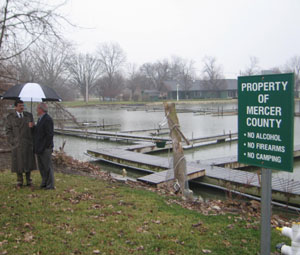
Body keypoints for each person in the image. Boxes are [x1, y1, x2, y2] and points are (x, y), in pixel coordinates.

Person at [6, 99, 36, 188]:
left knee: (28, 161)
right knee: (18, 162)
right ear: (15, 107)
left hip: (27, 142)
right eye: (20, 106)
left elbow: (34, 131)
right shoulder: (10, 117)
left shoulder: (29, 115)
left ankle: (29, 180)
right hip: (17, 143)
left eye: (23, 105)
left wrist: (32, 126)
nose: (22, 107)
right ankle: (19, 181)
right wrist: (12, 141)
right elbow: (8, 130)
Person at [34, 102, 55, 190]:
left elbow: (49, 135)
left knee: (47, 166)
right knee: (41, 167)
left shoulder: (47, 119)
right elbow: (39, 132)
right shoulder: (40, 119)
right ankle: (44, 182)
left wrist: (46, 146)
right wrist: (33, 127)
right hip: (39, 147)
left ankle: (50, 185)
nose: (36, 110)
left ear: (41, 109)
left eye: (37, 108)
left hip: (46, 148)